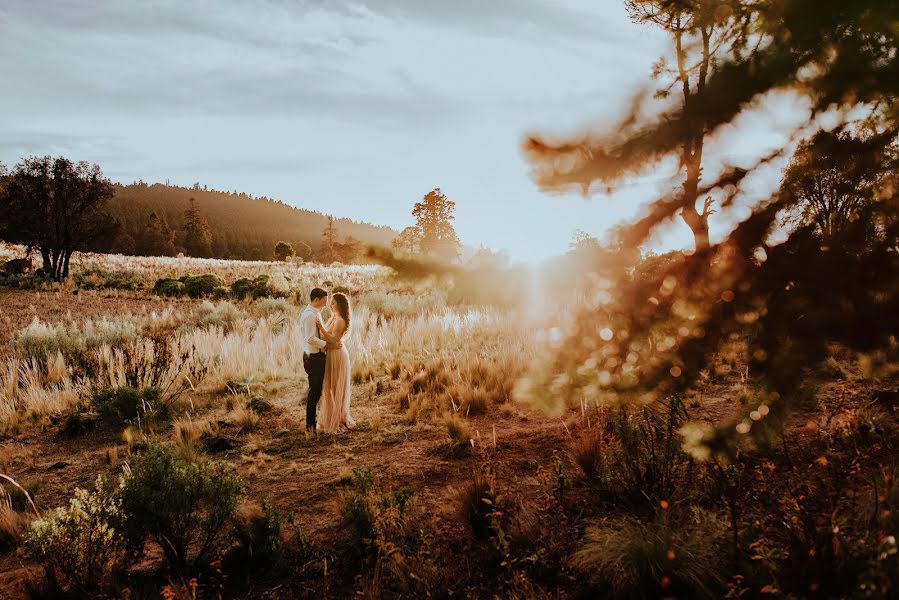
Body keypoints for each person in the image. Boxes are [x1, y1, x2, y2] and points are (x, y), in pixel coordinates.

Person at [316, 292, 355, 432]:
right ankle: (332, 417)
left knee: (337, 387)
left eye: (333, 303)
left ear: (339, 305)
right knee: (330, 386)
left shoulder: (340, 321)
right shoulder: (334, 318)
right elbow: (326, 338)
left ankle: (338, 418)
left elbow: (332, 339)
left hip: (338, 355)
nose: (330, 305)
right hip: (332, 353)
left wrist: (321, 328)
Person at [300, 287, 328, 432]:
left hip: (315, 356)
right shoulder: (310, 315)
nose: (325, 305)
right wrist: (326, 345)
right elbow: (310, 338)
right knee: (314, 392)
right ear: (316, 300)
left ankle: (314, 423)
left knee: (317, 391)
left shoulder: (314, 312)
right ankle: (310, 426)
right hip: (313, 358)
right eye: (323, 302)